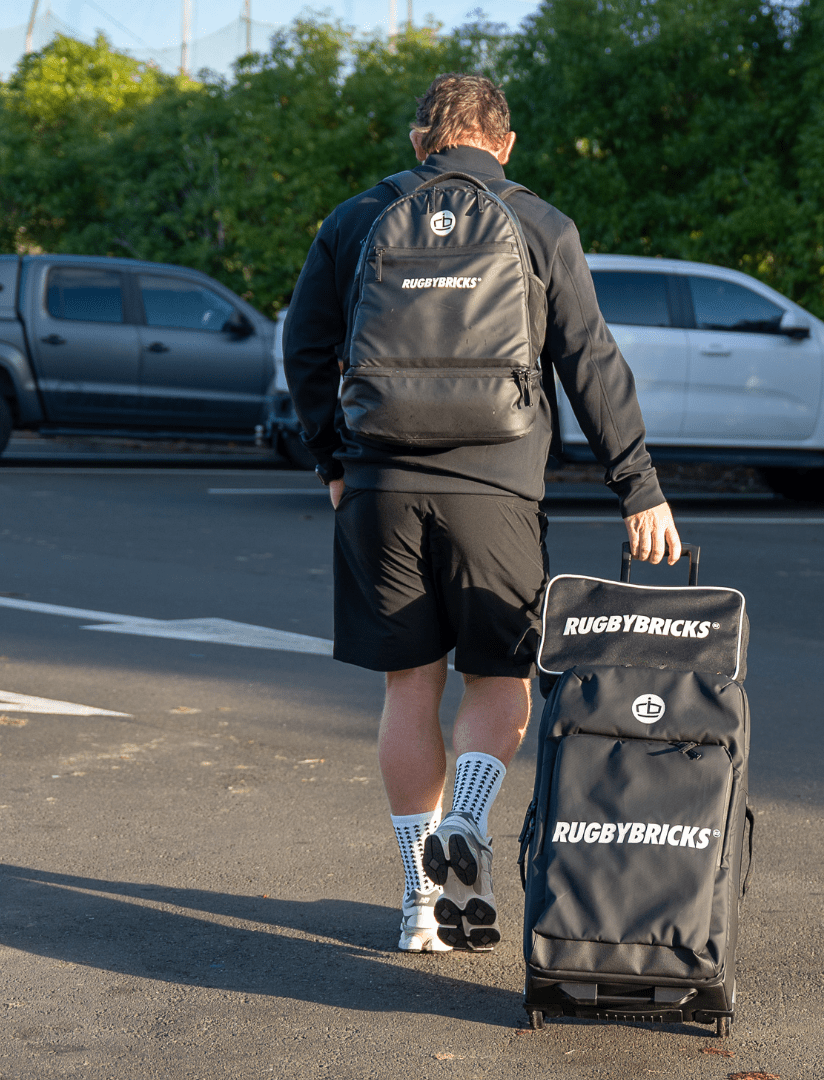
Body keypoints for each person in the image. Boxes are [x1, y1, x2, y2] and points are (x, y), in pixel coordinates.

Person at [284, 73, 681, 953]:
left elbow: (305, 347)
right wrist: (638, 488)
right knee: (498, 681)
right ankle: (468, 816)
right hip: (497, 488)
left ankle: (418, 900)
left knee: (408, 688)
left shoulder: (354, 222)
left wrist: (332, 461)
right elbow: (590, 361)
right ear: (502, 145)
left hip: (380, 488)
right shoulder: (539, 224)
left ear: (422, 140)